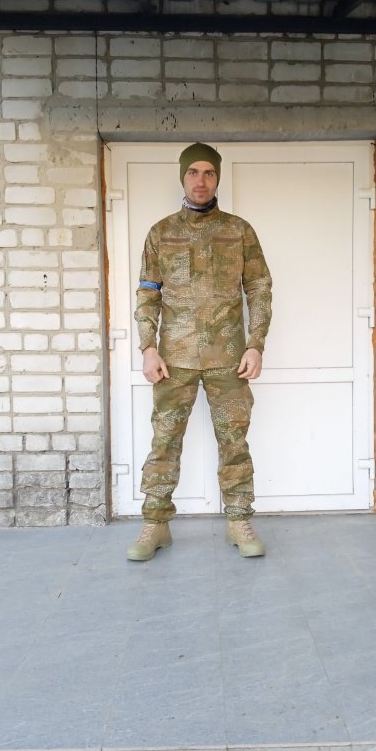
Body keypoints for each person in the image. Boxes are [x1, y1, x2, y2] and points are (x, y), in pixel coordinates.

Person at [127, 142, 272, 562]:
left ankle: (239, 521)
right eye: (193, 172)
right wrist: (148, 347)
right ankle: (155, 524)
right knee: (165, 441)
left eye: (209, 172)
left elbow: (259, 289)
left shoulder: (239, 231)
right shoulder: (161, 233)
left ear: (217, 178)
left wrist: (255, 344)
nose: (201, 180)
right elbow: (148, 294)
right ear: (183, 177)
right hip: (174, 361)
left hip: (229, 360)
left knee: (234, 443)